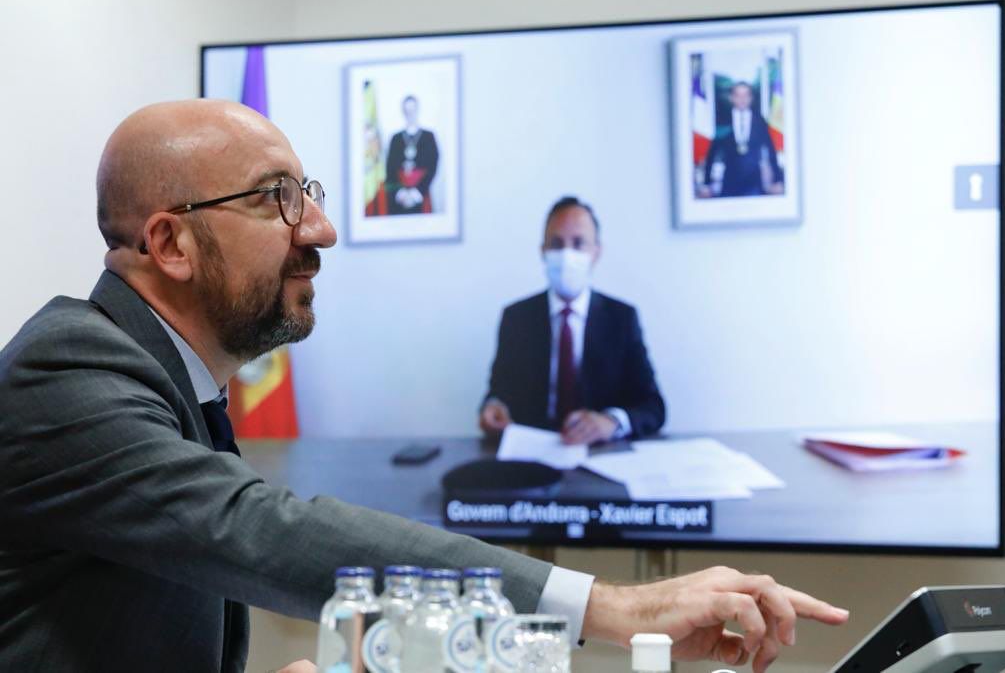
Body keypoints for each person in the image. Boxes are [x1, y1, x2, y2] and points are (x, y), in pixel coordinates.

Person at [0, 100, 847, 673]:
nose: (322, 228)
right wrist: (614, 606)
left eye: (311, 195)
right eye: (277, 199)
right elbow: (255, 528)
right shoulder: (69, 369)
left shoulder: (169, 382)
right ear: (171, 244)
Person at [480, 197, 666, 445]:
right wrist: (493, 409)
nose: (567, 255)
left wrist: (611, 422)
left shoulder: (622, 318)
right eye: (556, 244)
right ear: (543, 252)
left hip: (601, 456)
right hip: (531, 457)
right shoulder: (516, 318)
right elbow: (498, 393)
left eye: (579, 244)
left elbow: (653, 405)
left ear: (596, 252)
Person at [697, 81, 784, 199]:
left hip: (754, 183)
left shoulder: (759, 121)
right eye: (738, 95)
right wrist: (706, 183)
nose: (742, 99)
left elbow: (771, 149)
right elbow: (712, 152)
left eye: (746, 95)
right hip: (729, 182)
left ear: (751, 98)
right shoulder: (723, 121)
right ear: (731, 98)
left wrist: (777, 179)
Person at [385, 94, 439, 214]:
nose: (410, 114)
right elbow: (390, 169)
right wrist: (400, 193)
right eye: (407, 111)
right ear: (403, 112)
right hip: (400, 199)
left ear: (417, 110)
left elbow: (432, 167)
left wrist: (418, 192)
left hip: (421, 195)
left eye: (412, 110)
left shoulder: (428, 137)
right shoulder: (396, 138)